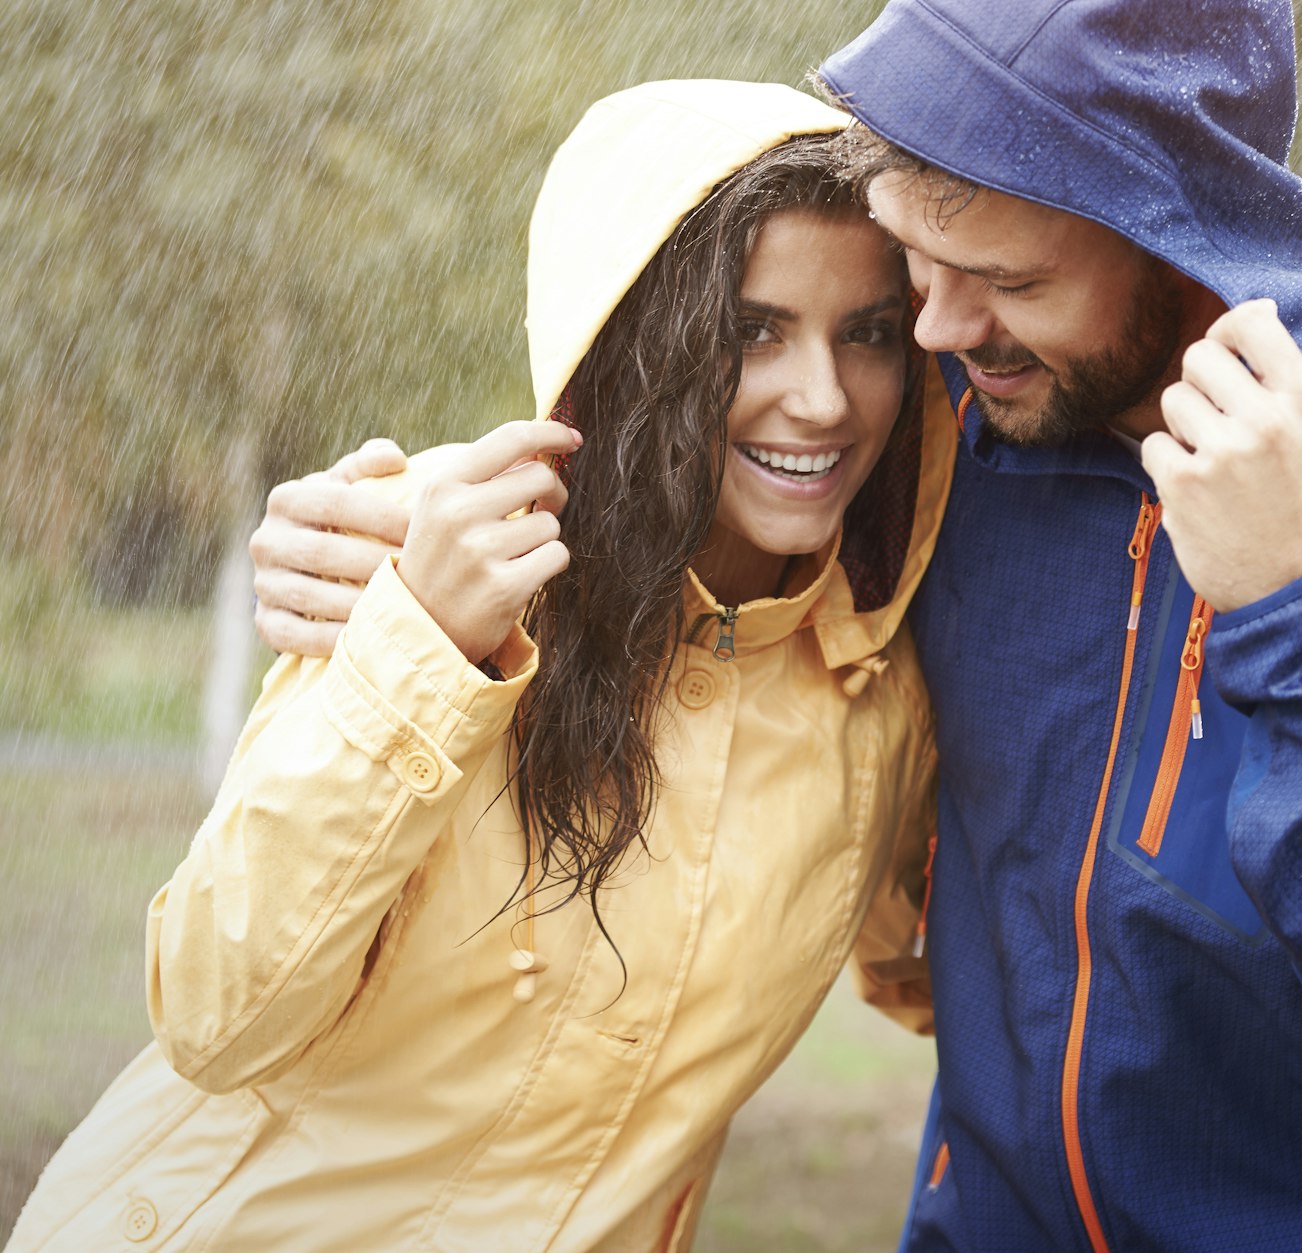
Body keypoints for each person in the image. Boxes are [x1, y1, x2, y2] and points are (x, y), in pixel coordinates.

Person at [253, 2, 1302, 1249]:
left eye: (1008, 282)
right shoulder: (961, 413)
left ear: (1185, 224)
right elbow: (702, 468)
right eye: (915, 273)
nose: (941, 333)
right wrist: (399, 529)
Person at [7, 79, 952, 1253]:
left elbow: (933, 968)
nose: (820, 398)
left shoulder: (884, 700)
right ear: (637, 340)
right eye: (751, 330)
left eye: (865, 332)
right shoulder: (423, 573)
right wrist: (418, 649)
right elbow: (213, 1012)